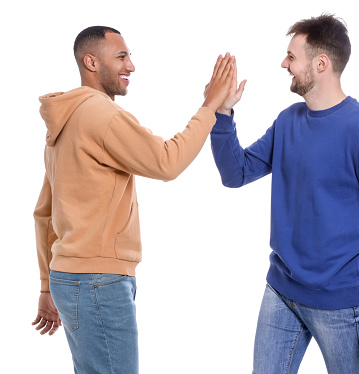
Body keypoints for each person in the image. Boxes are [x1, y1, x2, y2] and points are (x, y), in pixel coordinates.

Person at [209, 14, 359, 374]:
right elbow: (235, 173)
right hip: (281, 292)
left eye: (291, 56)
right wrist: (222, 112)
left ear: (321, 64)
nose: (283, 64)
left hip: (341, 303)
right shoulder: (288, 120)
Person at [32, 25, 234, 374]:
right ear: (91, 62)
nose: (131, 66)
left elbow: (43, 214)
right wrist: (210, 106)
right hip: (98, 280)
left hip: (69, 276)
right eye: (122, 56)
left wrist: (47, 285)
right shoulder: (101, 115)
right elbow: (167, 161)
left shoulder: (63, 122)